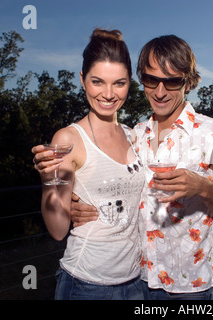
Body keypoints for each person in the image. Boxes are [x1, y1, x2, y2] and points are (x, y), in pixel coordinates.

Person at [71, 34, 213, 300]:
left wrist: (202, 187)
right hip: (132, 281)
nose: (160, 91)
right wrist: (74, 204)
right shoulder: (134, 136)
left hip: (188, 289)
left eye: (173, 81)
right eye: (151, 79)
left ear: (188, 82)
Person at [31, 28, 145, 300]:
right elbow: (58, 230)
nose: (108, 94)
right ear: (82, 80)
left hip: (136, 282)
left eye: (119, 83)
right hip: (87, 285)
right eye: (97, 82)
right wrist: (49, 181)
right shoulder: (68, 138)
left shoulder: (135, 136)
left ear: (130, 83)